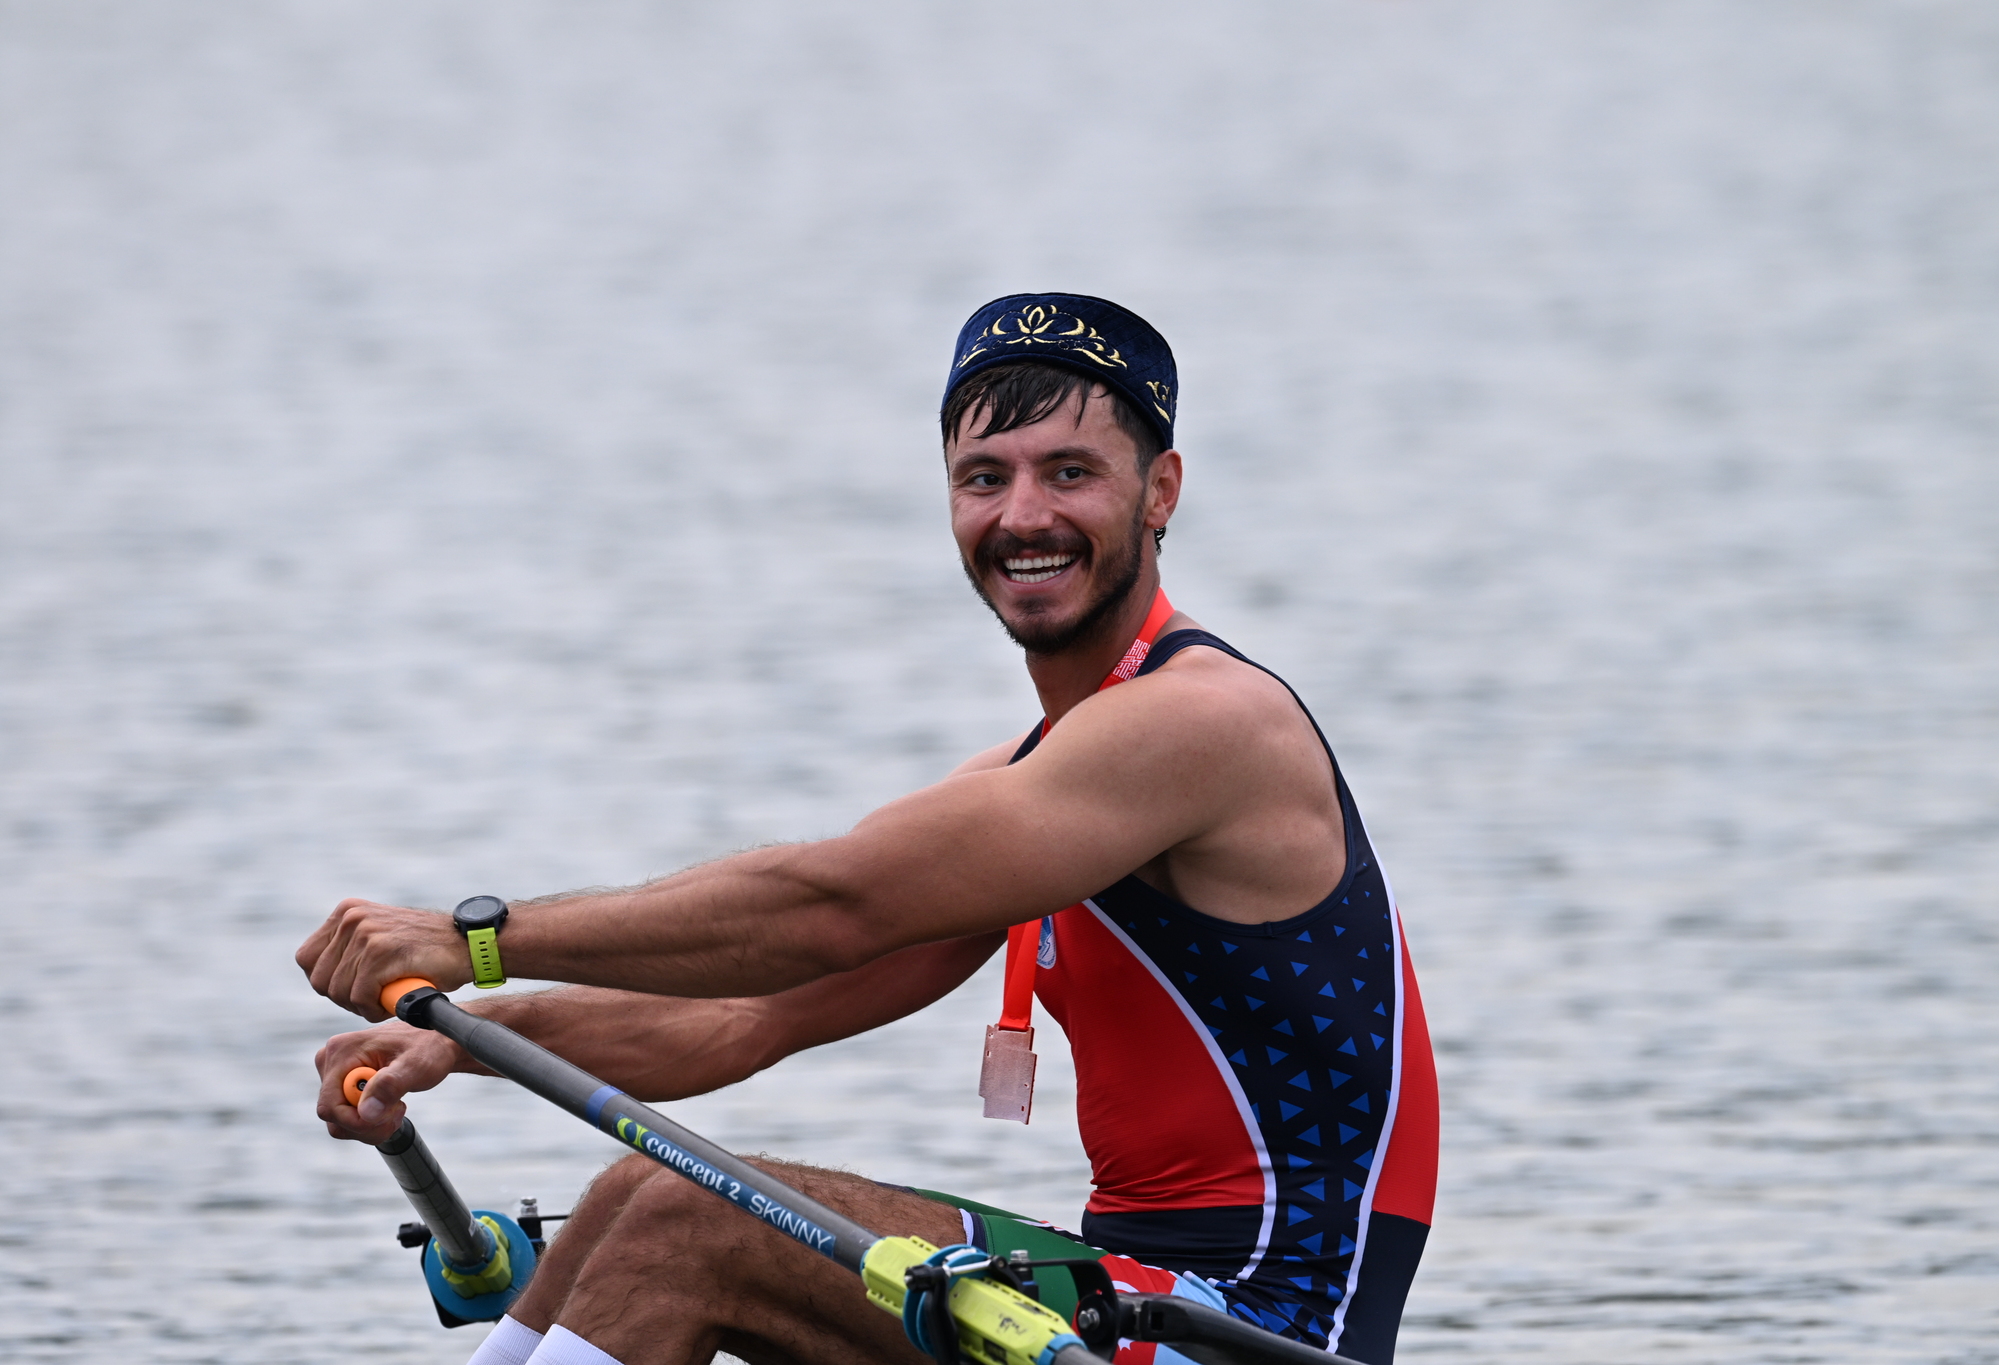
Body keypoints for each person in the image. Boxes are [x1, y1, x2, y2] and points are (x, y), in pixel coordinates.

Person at [298, 293, 1437, 1365]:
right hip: (1129, 1293)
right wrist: (470, 1037)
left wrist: (475, 939)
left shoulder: (1207, 724)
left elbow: (828, 907)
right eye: (982, 478)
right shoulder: (1034, 782)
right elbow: (742, 1017)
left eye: (1070, 473)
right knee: (630, 1194)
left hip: (1259, 1330)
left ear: (1161, 492)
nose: (1021, 516)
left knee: (689, 1220)